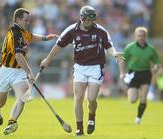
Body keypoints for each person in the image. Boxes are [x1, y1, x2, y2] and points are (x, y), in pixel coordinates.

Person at [40, 6, 124, 135]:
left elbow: (109, 46)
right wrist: (48, 59)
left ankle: (92, 116)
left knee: (91, 99)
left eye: (93, 20)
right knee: (78, 98)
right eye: (89, 20)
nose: (91, 23)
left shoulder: (101, 31)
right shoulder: (71, 30)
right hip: (79, 67)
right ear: (82, 18)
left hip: (96, 67)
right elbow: (58, 45)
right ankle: (79, 129)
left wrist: (114, 54)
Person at [0, 8, 58, 135]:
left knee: (24, 94)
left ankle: (12, 122)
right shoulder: (15, 34)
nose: (28, 22)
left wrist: (46, 38)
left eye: (29, 20)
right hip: (5, 71)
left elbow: (31, 37)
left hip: (18, 71)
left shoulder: (23, 32)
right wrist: (29, 73)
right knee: (0, 102)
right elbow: (19, 56)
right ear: (17, 19)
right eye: (26, 20)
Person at [119, 27, 160, 125]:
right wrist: (122, 72)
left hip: (146, 73)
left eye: (143, 36)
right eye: (139, 36)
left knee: (144, 97)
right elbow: (122, 60)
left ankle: (138, 118)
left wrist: (156, 67)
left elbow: (157, 62)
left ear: (146, 37)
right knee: (133, 100)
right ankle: (134, 93)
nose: (141, 38)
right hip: (133, 74)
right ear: (135, 36)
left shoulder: (151, 49)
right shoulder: (130, 47)